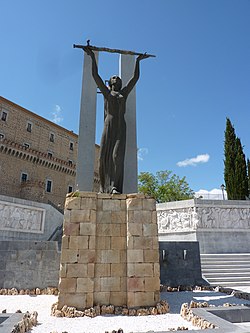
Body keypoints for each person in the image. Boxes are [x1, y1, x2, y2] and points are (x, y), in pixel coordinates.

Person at [83, 46, 149, 194]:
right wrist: (92, 56)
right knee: (104, 157)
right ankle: (104, 186)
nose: (116, 78)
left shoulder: (124, 93)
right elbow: (95, 75)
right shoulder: (107, 92)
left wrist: (138, 61)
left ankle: (114, 186)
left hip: (121, 127)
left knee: (117, 157)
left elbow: (135, 79)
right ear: (110, 82)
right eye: (114, 77)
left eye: (118, 77)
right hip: (109, 124)